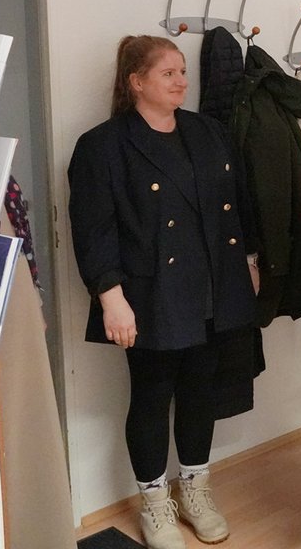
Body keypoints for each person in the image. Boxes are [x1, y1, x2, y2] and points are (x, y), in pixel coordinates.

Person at [68, 36, 260, 549]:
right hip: (149, 295)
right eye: (168, 73)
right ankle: (155, 504)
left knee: (200, 392)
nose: (182, 81)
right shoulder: (103, 145)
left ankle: (196, 491)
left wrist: (248, 262)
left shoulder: (207, 131)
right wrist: (110, 297)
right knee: (151, 397)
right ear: (136, 82)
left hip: (212, 287)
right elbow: (93, 230)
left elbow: (237, 203)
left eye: (182, 71)